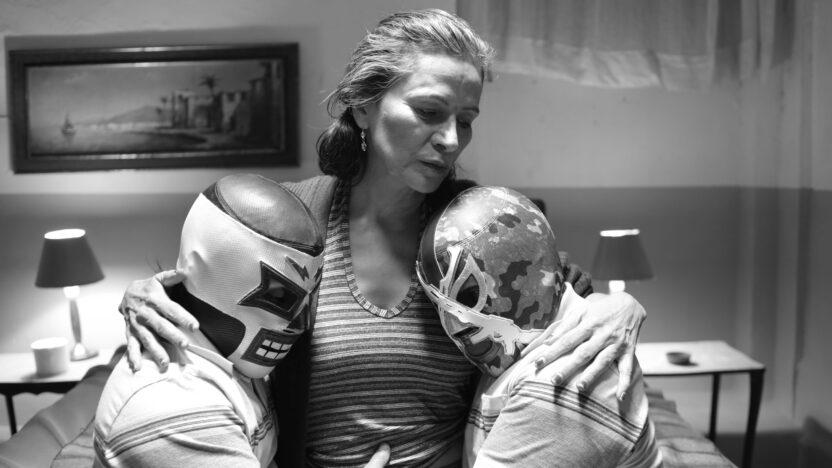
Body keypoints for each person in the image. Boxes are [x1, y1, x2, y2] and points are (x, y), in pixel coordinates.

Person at [118, 9, 648, 467]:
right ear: (363, 106)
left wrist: (616, 307)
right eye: (429, 112)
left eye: (466, 120)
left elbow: (560, 299)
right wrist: (147, 294)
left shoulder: (483, 229)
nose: (451, 140)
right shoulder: (285, 226)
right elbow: (207, 305)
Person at [417, 186, 661, 468]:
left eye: (470, 295)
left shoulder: (565, 373)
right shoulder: (525, 349)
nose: (454, 325)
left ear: (523, 275)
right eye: (440, 306)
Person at [94, 174, 326, 467]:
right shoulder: (175, 405)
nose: (302, 323)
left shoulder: (223, 358)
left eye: (308, 298)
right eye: (280, 297)